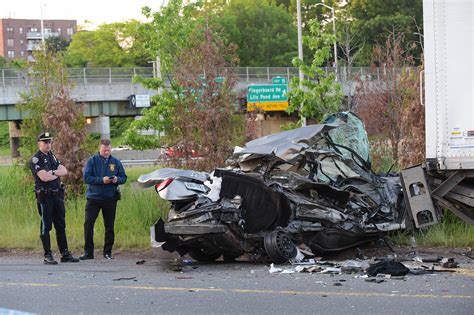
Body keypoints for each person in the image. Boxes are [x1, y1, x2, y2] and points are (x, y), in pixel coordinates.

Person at [29, 132, 79, 264]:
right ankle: (48, 255)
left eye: (50, 142)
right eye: (45, 142)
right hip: (45, 197)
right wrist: (54, 173)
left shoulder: (52, 156)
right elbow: (43, 177)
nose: (48, 144)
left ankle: (64, 253)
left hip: (57, 195)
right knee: (46, 226)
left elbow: (64, 171)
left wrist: (52, 172)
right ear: (39, 143)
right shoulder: (36, 159)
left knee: (61, 225)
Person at [80, 139, 127, 260]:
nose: (106, 152)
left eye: (108, 150)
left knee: (109, 226)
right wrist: (101, 180)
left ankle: (107, 252)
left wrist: (117, 179)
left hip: (110, 198)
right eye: (104, 150)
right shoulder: (92, 161)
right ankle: (88, 252)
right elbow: (86, 178)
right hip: (94, 198)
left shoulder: (115, 162)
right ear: (99, 149)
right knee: (88, 224)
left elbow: (124, 177)